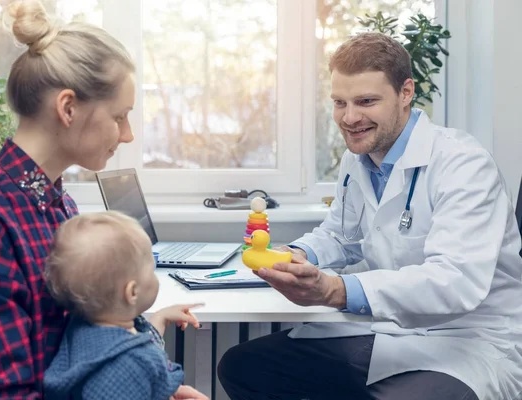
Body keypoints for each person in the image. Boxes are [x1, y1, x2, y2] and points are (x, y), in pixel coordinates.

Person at [218, 32, 522, 400]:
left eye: (366, 101)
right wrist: (295, 255)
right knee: (244, 366)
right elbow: (340, 235)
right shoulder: (359, 159)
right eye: (339, 102)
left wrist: (336, 290)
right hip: (393, 333)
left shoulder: (463, 164)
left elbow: (454, 281)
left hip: (470, 341)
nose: (349, 118)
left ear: (406, 92)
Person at [0, 0, 138, 398]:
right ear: (68, 107)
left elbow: (71, 352)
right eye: (120, 116)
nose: (127, 136)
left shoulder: (57, 205)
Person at [42, 211, 208, 400]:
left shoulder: (84, 332)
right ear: (132, 292)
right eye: (152, 270)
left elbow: (126, 340)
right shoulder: (125, 367)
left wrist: (159, 319)